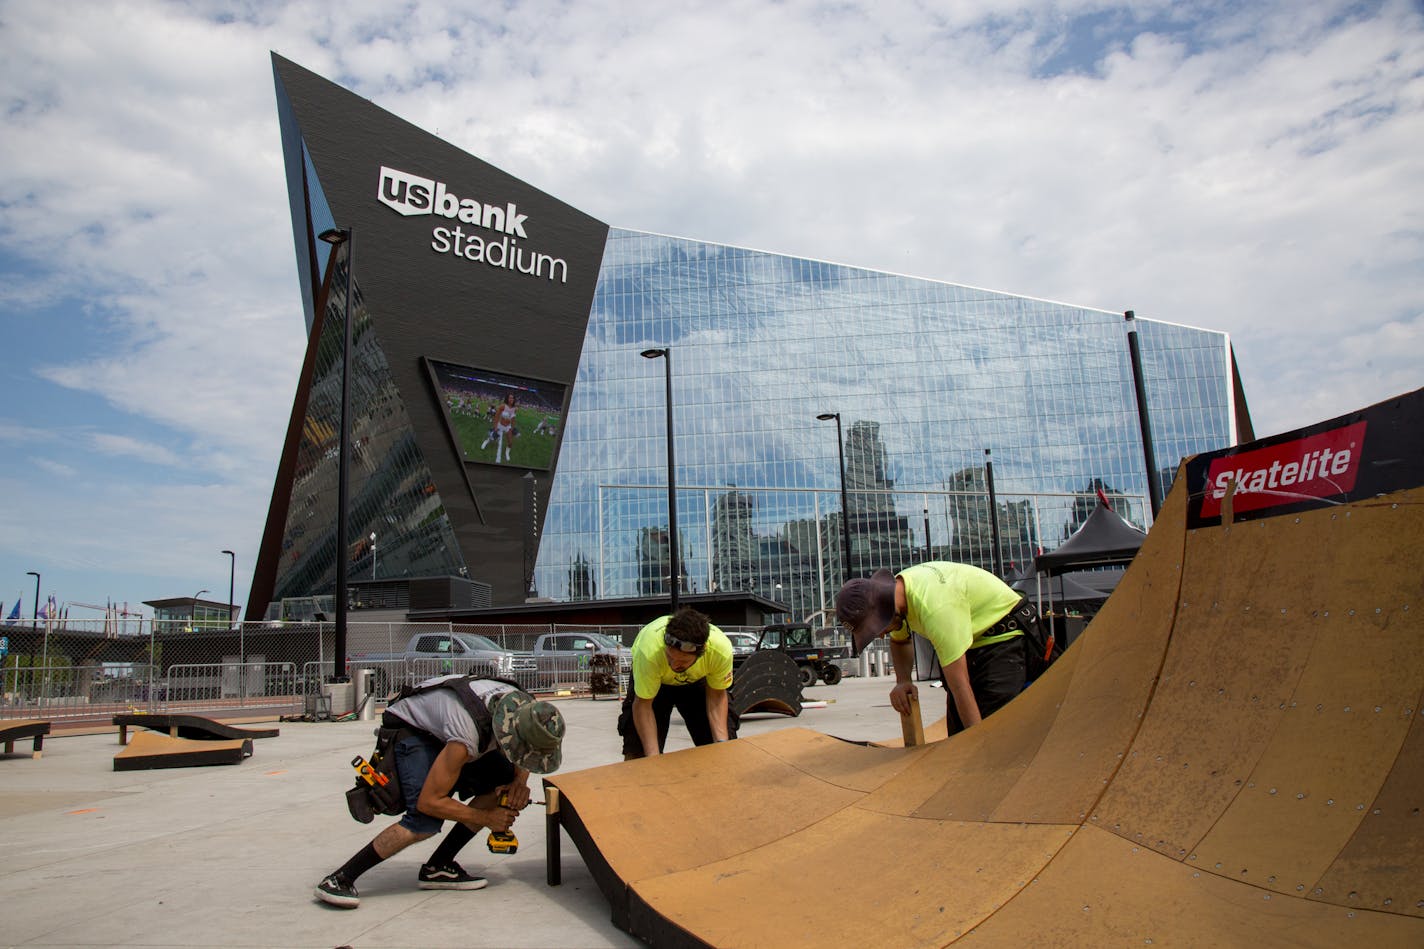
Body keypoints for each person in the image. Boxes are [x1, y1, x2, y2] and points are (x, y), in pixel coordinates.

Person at [314, 674, 565, 909]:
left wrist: (518, 783)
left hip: (447, 723)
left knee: (501, 782)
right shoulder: (467, 736)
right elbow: (430, 802)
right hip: (412, 728)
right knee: (423, 821)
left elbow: (523, 757)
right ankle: (340, 879)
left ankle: (439, 866)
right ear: (511, 735)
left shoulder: (529, 710)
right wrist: (487, 819)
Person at [836, 562, 1030, 736]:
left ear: (885, 612)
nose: (880, 636)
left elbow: (960, 687)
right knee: (959, 734)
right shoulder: (898, 598)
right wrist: (903, 680)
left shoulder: (936, 608)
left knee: (990, 730)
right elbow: (900, 641)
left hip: (1003, 637)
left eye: (876, 629)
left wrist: (978, 746)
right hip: (974, 643)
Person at [617, 607, 738, 758]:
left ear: (703, 650)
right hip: (656, 682)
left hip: (697, 681)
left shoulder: (719, 650)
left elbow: (717, 696)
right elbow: (643, 705)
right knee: (638, 756)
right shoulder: (649, 652)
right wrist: (651, 760)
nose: (674, 666)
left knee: (723, 751)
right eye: (670, 657)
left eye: (682, 661)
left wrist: (721, 746)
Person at [479, 392, 519, 462]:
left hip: (508, 427)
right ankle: (486, 441)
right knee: (492, 438)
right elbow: (496, 417)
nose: (511, 399)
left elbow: (513, 419)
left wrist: (512, 428)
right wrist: (495, 427)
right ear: (507, 398)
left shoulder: (515, 409)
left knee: (510, 442)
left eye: (513, 398)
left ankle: (507, 453)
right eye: (510, 398)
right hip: (500, 425)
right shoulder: (502, 406)